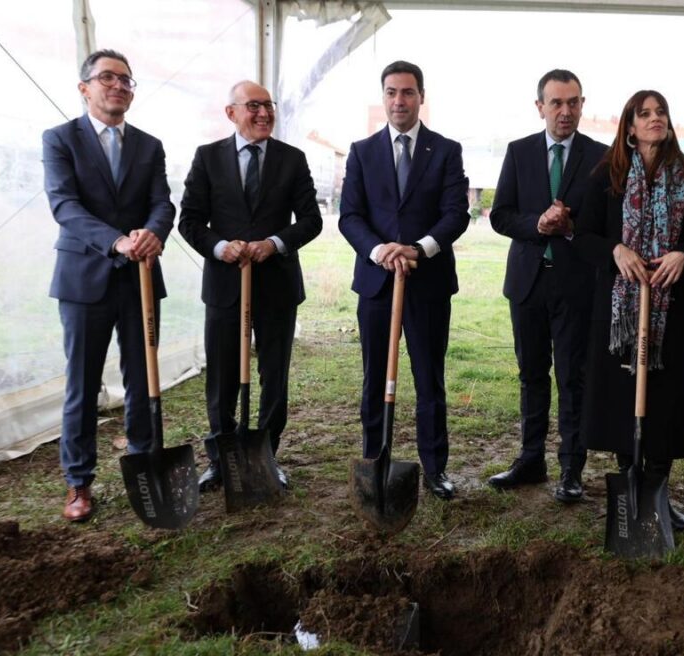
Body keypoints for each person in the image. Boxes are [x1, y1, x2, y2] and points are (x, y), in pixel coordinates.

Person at [573, 90, 684, 531]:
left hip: (671, 310)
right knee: (623, 401)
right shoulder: (607, 176)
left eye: (661, 113)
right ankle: (631, 492)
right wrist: (616, 250)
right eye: (645, 114)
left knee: (666, 401)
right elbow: (583, 236)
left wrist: (683, 256)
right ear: (630, 127)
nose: (655, 119)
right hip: (619, 313)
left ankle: (658, 494)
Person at [43, 49, 175, 521]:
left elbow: (163, 202)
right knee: (82, 382)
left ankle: (145, 462)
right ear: (85, 88)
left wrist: (151, 232)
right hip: (85, 279)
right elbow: (64, 205)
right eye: (107, 78)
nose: (118, 86)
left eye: (126, 79)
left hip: (140, 278)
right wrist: (117, 241)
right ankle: (79, 482)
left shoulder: (149, 145)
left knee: (143, 377)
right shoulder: (61, 139)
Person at [179, 80, 322, 492]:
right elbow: (189, 220)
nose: (264, 114)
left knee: (273, 376)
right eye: (253, 106)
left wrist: (274, 243)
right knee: (221, 377)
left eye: (269, 106)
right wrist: (220, 247)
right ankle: (221, 459)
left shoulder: (292, 160)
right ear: (231, 112)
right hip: (226, 286)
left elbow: (310, 220)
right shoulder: (208, 159)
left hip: (277, 286)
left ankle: (265, 456)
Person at [339, 61, 470, 500]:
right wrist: (380, 251)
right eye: (392, 92)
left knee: (429, 378)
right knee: (375, 377)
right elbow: (350, 216)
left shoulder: (446, 151)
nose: (399, 100)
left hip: (428, 283)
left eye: (408, 92)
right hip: (377, 285)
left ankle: (435, 469)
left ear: (421, 97)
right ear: (383, 97)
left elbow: (456, 214)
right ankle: (375, 461)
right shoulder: (361, 151)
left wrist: (418, 248)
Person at [488, 69, 607, 502]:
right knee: (532, 374)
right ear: (539, 107)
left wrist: (572, 227)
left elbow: (607, 225)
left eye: (573, 102)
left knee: (573, 379)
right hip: (528, 284)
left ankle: (572, 469)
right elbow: (501, 215)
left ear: (582, 104)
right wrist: (538, 223)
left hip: (577, 285)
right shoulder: (519, 152)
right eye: (556, 103)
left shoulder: (601, 156)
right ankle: (530, 459)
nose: (565, 111)